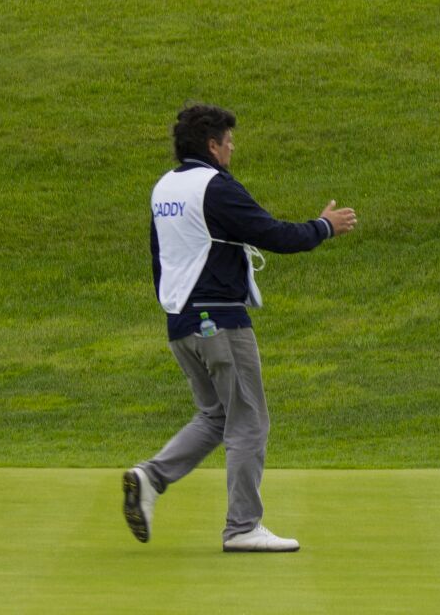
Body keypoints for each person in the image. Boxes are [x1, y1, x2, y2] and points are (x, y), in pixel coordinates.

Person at [124, 103, 357, 553]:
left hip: (180, 322)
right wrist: (324, 228)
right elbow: (271, 232)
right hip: (220, 320)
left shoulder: (164, 188)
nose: (232, 149)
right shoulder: (216, 187)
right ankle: (242, 527)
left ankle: (149, 478)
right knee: (249, 421)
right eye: (229, 142)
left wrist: (176, 306)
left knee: (216, 416)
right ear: (212, 146)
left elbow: (161, 258)